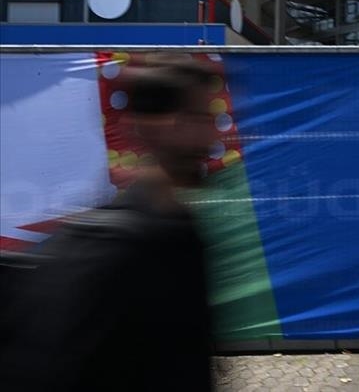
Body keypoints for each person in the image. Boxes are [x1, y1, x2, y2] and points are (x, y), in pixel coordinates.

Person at [0, 55, 217, 391]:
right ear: (152, 127)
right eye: (198, 119)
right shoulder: (113, 252)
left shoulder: (183, 233)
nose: (212, 135)